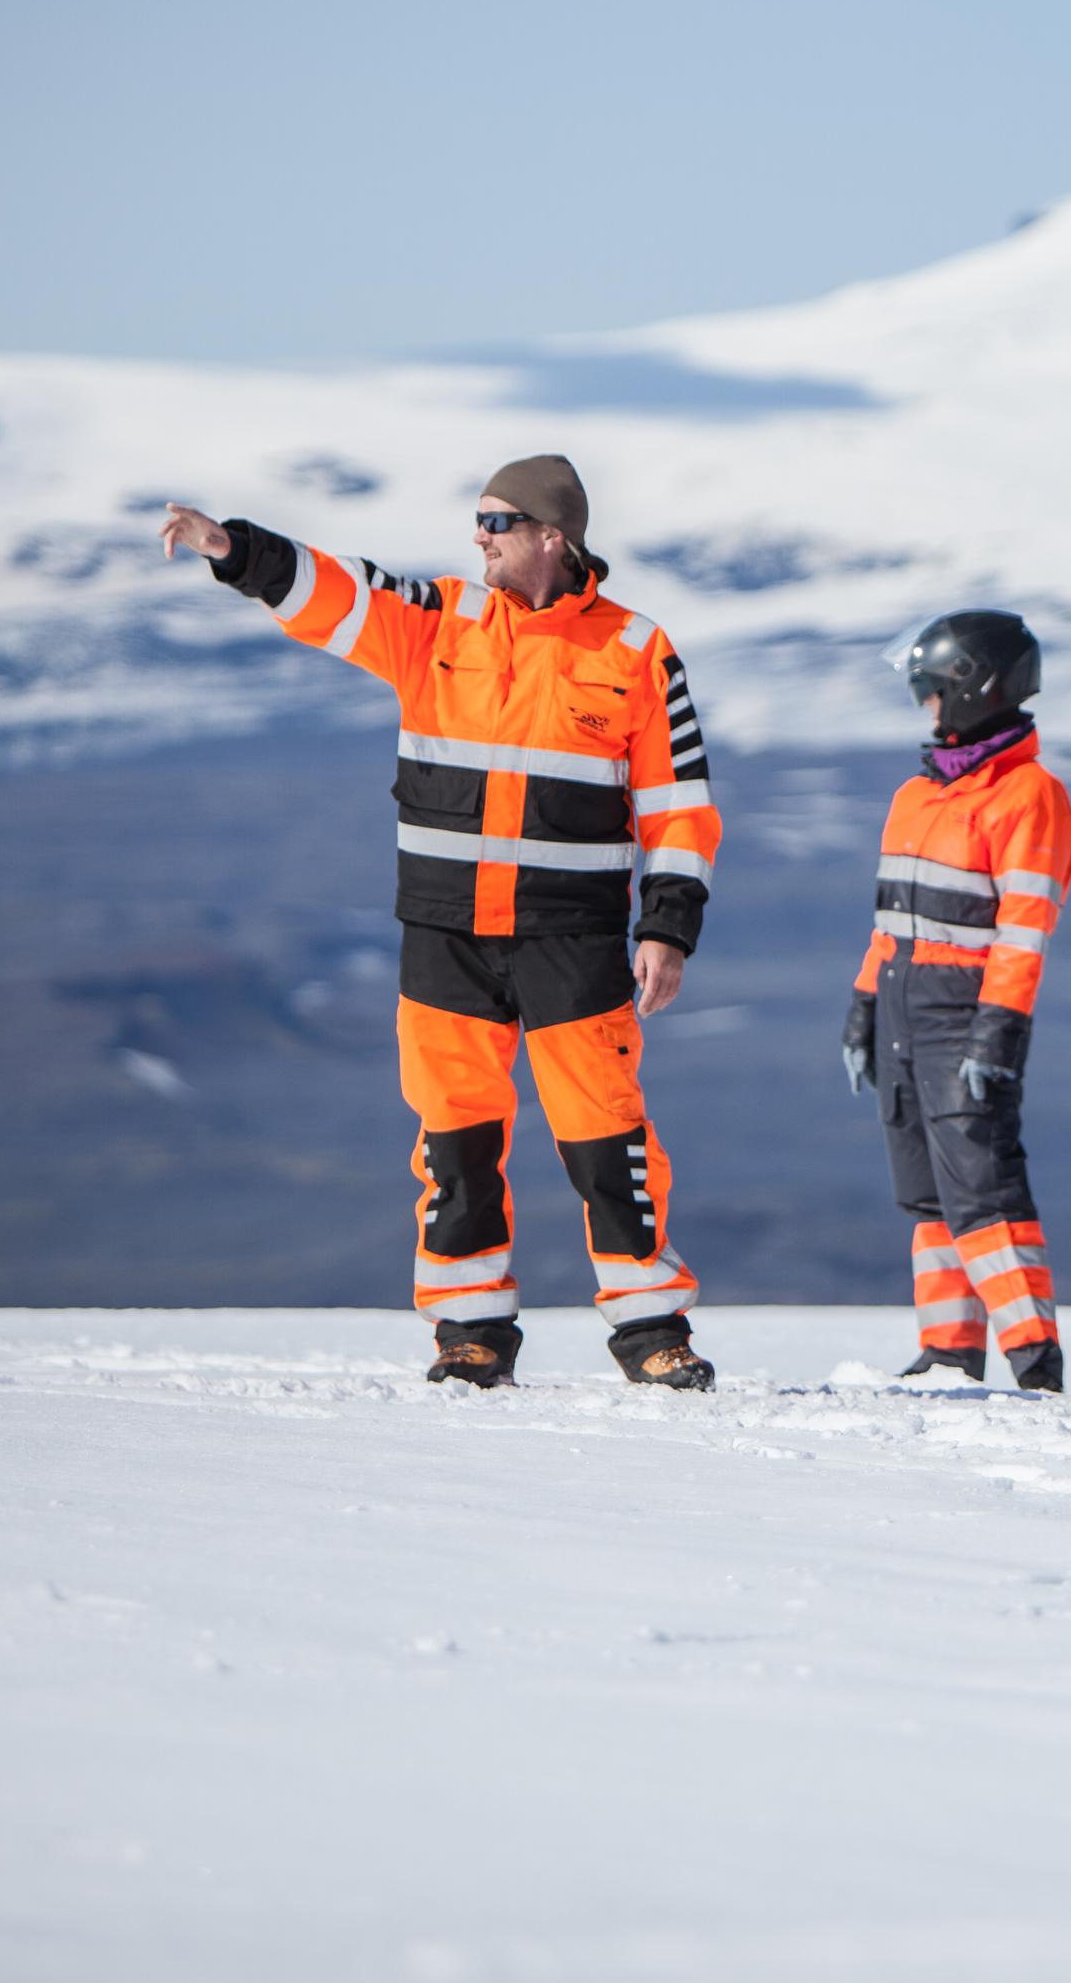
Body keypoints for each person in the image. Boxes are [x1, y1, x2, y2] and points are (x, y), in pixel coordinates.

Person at [154, 458, 719, 1391]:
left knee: (607, 1139)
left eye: (497, 521)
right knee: (454, 1140)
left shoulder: (636, 649)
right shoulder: (439, 621)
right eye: (478, 519)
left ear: (553, 536)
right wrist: (233, 550)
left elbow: (679, 806)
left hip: (569, 938)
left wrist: (668, 926)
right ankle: (471, 1333)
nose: (479, 536)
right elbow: (340, 594)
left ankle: (653, 1331)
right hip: (445, 935)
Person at [844, 610, 1071, 1390]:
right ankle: (949, 1352)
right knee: (927, 1195)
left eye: (932, 690)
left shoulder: (1028, 796)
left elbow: (1025, 930)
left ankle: (1033, 1358)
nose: (926, 706)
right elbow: (891, 922)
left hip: (964, 1013)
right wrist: (864, 1005)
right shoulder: (918, 794)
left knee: (983, 1189)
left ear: (975, 690)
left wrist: (997, 1030)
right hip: (903, 1006)